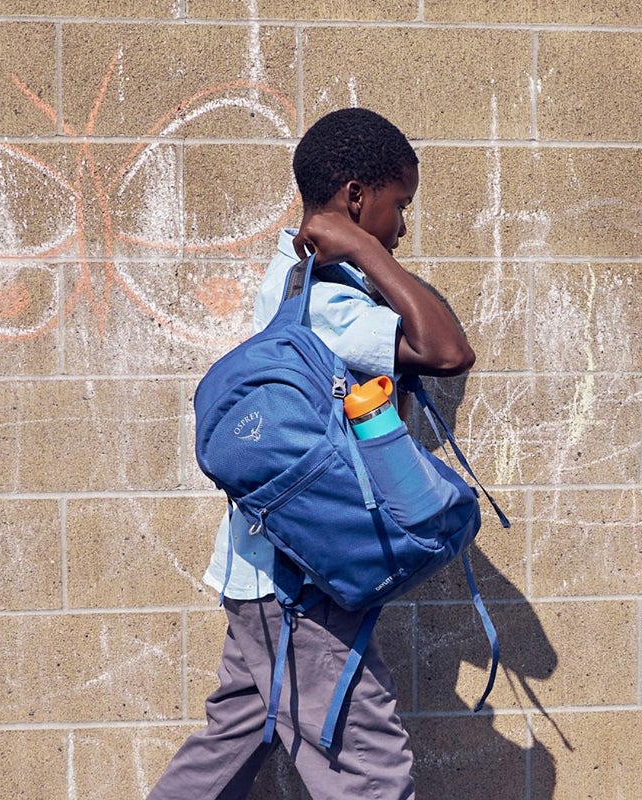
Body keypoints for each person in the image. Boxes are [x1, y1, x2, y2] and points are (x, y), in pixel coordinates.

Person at [148, 108, 475, 800]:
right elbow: (448, 351)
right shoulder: (325, 299)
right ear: (355, 197)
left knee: (226, 749)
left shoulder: (298, 280)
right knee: (369, 771)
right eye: (399, 205)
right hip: (302, 588)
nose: (402, 228)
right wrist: (367, 251)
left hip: (265, 575)